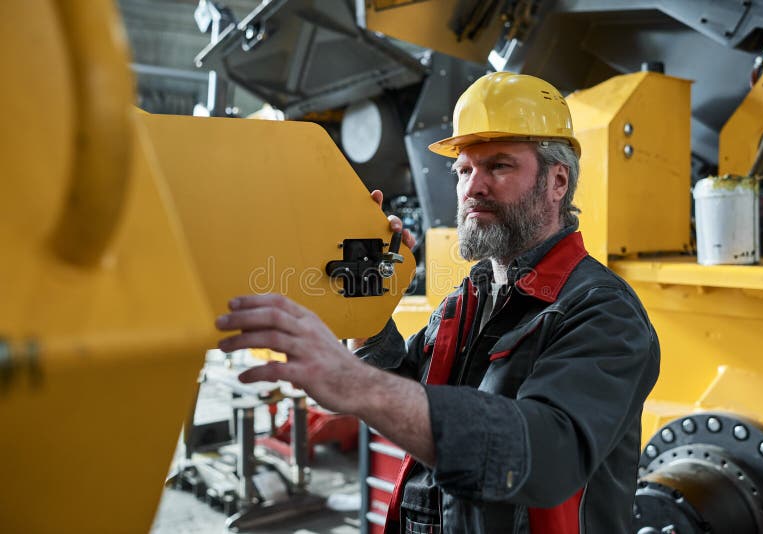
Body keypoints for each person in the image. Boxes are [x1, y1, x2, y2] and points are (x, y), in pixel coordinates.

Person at [215, 72, 660, 533]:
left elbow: (547, 454)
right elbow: (406, 394)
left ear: (558, 182)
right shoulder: (469, 297)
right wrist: (367, 299)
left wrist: (354, 383)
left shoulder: (604, 312)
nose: (473, 187)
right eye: (464, 170)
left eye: (499, 166)